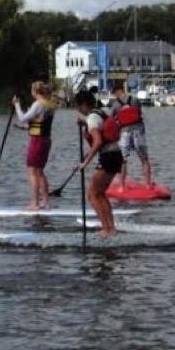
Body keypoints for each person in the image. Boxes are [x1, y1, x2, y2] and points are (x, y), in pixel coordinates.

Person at [73, 89, 120, 236]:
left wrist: (85, 163)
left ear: (84, 105)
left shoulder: (92, 118)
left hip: (108, 156)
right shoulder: (101, 112)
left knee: (93, 194)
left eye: (78, 106)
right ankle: (110, 228)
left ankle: (106, 229)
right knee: (100, 194)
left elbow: (98, 142)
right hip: (115, 154)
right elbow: (97, 141)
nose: (78, 110)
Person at [12, 81, 57, 210]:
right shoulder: (50, 104)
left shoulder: (38, 104)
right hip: (46, 140)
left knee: (32, 172)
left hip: (37, 141)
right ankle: (46, 202)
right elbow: (40, 124)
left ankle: (35, 203)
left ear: (35, 92)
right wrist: (23, 128)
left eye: (32, 91)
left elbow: (22, 117)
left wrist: (17, 105)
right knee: (40, 172)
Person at [109, 83, 153, 189]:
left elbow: (111, 120)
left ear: (116, 92)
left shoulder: (115, 104)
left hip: (124, 132)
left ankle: (122, 187)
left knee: (123, 160)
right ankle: (147, 185)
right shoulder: (135, 99)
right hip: (138, 131)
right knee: (144, 159)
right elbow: (139, 113)